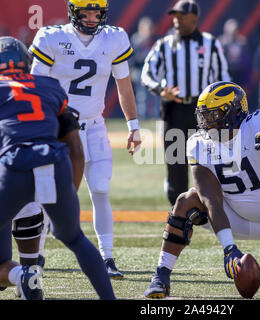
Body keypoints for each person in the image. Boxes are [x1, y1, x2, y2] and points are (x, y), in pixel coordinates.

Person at [143, 81, 260, 299]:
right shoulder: (198, 143)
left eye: (213, 115)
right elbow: (210, 198)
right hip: (232, 217)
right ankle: (161, 275)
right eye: (203, 116)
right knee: (186, 201)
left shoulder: (259, 122)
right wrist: (229, 247)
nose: (206, 123)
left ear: (233, 112)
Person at [28, 0, 141, 278]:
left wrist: (134, 125)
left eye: (96, 13)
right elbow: (34, 87)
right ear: (72, 12)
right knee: (49, 193)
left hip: (94, 125)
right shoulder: (52, 38)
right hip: (61, 127)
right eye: (85, 13)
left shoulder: (114, 38)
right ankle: (36, 257)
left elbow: (123, 85)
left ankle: (108, 257)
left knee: (101, 189)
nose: (91, 19)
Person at [0, 36, 115, 300]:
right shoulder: (50, 87)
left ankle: (21, 275)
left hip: (15, 167)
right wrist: (69, 194)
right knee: (74, 238)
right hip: (56, 164)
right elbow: (75, 148)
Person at [141, 0, 230, 206]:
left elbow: (223, 77)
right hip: (174, 109)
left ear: (195, 18)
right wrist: (161, 90)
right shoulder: (164, 44)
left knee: (211, 161)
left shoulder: (210, 43)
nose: (176, 20)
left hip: (205, 111)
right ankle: (178, 211)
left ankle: (215, 207)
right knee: (176, 162)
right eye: (175, 16)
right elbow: (147, 74)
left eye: (182, 16)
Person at [130, 17, 159, 119]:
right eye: (147, 28)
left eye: (151, 28)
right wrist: (131, 71)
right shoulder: (136, 40)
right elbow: (131, 58)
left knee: (155, 94)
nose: (149, 30)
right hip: (139, 71)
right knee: (141, 96)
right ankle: (142, 117)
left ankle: (156, 116)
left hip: (153, 72)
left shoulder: (155, 40)